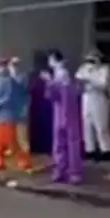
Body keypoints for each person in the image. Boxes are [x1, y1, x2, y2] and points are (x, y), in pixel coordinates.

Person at [41, 51, 83, 184]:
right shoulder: (59, 76)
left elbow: (62, 93)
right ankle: (62, 170)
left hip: (67, 113)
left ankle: (72, 172)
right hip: (60, 112)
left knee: (70, 142)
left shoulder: (64, 75)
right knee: (60, 143)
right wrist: (50, 83)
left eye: (50, 59)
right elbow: (51, 96)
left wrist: (50, 82)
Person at [0, 58, 32, 172]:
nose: (0, 68)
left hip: (7, 115)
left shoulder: (12, 81)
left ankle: (21, 161)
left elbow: (12, 97)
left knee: (11, 141)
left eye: (3, 66)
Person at [75, 50, 110, 162]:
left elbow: (104, 84)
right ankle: (89, 150)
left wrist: (90, 79)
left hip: (99, 97)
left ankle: (106, 149)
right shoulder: (83, 68)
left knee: (101, 125)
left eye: (94, 58)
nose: (91, 61)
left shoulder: (105, 69)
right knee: (87, 124)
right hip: (87, 97)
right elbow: (78, 79)